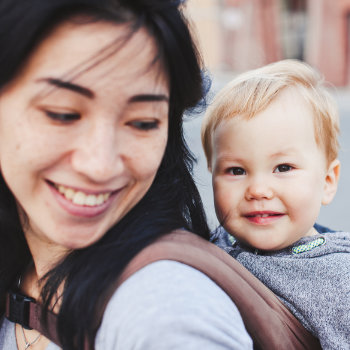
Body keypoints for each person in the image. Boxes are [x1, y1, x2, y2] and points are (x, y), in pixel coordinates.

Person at [0, 0, 254, 349]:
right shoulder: (19, 267)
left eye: (142, 122)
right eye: (62, 114)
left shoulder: (165, 318)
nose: (100, 165)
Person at [201, 59, 350, 349]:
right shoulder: (210, 244)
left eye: (283, 168)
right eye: (236, 171)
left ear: (328, 181)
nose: (258, 190)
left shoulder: (338, 282)